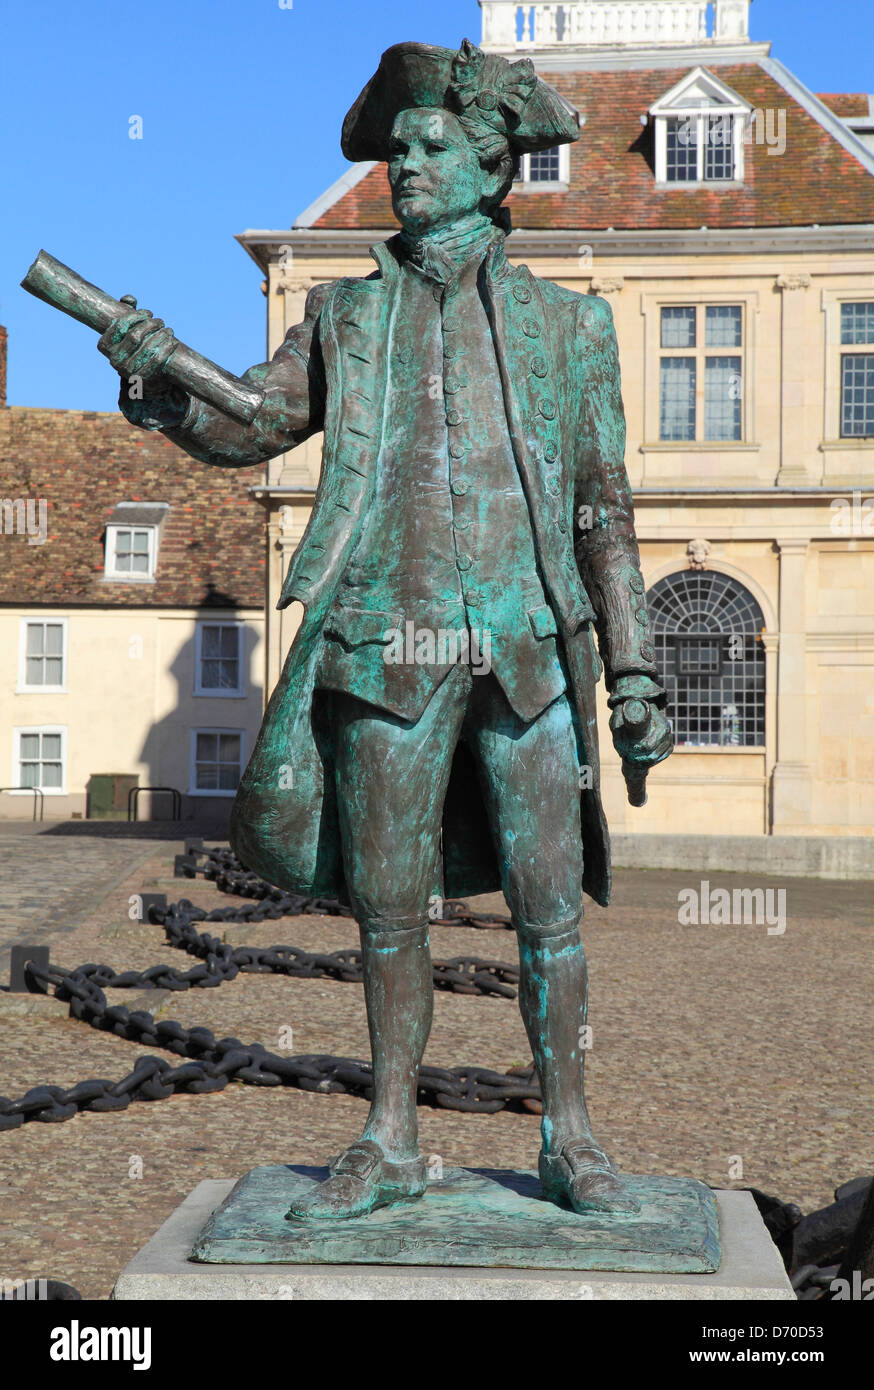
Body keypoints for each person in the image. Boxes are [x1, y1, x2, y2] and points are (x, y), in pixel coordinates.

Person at [98, 38, 672, 1221]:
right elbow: (253, 422)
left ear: (490, 164)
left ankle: (570, 1136)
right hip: (381, 645)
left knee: (550, 913)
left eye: (428, 146)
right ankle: (392, 1137)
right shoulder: (344, 317)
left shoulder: (572, 329)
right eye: (396, 148)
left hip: (528, 649)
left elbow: (601, 506)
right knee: (390, 912)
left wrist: (632, 667)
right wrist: (158, 381)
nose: (403, 164)